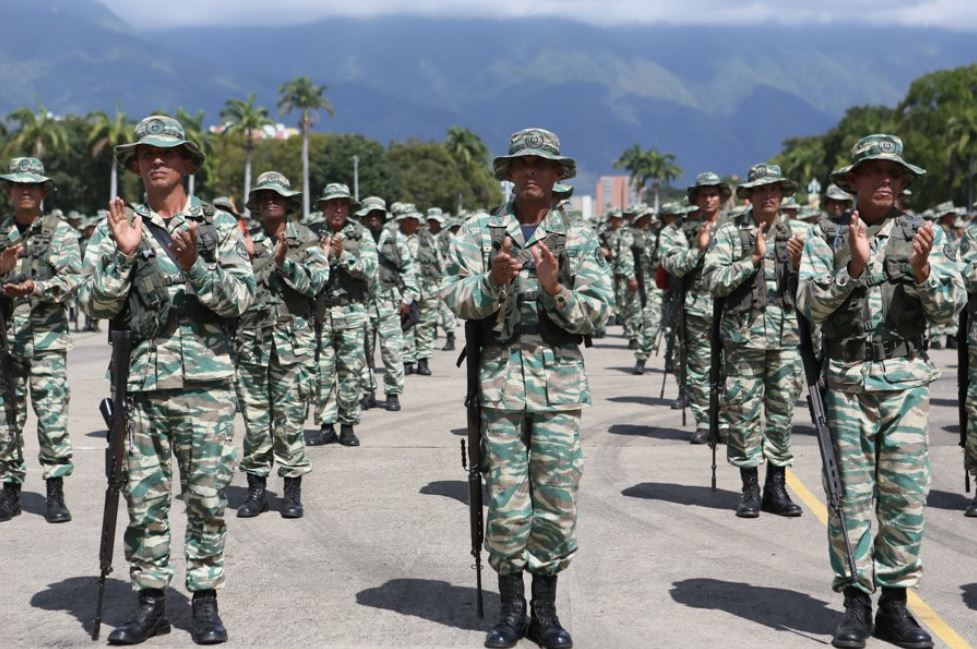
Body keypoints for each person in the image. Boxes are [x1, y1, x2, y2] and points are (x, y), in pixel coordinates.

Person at [80, 115, 255, 645]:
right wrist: (126, 255)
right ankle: (151, 601)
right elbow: (95, 302)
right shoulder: (113, 225)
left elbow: (241, 300)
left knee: (206, 499)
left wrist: (195, 265)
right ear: (135, 165)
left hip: (206, 385)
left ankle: (204, 601)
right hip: (139, 386)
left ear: (185, 163)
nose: (156, 160)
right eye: (146, 153)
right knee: (145, 501)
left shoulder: (218, 226)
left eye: (167, 152)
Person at [443, 128, 613, 649]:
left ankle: (546, 609)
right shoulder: (479, 233)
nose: (533, 173)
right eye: (523, 165)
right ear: (510, 174)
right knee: (508, 502)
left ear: (559, 175)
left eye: (543, 165)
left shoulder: (579, 237)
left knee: (557, 502)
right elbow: (456, 299)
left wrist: (555, 288)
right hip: (497, 390)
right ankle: (511, 609)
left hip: (559, 389)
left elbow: (600, 314)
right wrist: (492, 281)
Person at [798, 134, 965, 649]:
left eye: (895, 173)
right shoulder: (823, 238)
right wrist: (852, 266)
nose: (887, 180)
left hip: (906, 384)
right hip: (847, 384)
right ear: (853, 182)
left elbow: (951, 306)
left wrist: (922, 272)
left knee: (905, 498)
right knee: (848, 499)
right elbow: (810, 305)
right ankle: (855, 601)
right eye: (875, 172)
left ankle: (895, 604)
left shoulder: (926, 236)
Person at [702, 164, 804, 518]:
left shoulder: (799, 234)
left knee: (782, 414)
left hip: (788, 340)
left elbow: (823, 282)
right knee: (744, 413)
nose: (769, 195)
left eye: (774, 189)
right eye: (761, 190)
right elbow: (713, 280)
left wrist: (802, 262)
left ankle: (776, 487)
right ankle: (749, 487)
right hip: (743, 340)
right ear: (749, 196)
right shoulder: (730, 234)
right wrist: (753, 259)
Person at [234, 172, 328, 520]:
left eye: (277, 195)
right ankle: (256, 491)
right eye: (264, 196)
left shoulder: (306, 239)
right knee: (256, 423)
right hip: (252, 343)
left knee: (289, 423)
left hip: (292, 345)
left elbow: (318, 282)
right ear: (257, 204)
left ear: (288, 202)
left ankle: (291, 492)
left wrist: (285, 262)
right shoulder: (243, 241)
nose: (271, 200)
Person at [0, 157, 82, 524]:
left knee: (52, 419)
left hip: (47, 341)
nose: (26, 191)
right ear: (9, 191)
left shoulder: (61, 232)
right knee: (5, 420)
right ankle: (10, 491)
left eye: (33, 186)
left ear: (44, 191)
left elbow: (72, 282)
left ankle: (55, 492)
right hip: (6, 343)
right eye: (19, 185)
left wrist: (36, 287)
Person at [659, 172, 731, 444]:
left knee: (727, 369)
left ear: (721, 198)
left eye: (713, 194)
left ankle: (723, 422)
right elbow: (672, 263)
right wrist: (698, 250)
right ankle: (704, 422)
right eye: (703, 194)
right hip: (696, 309)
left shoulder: (733, 227)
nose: (709, 199)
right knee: (700, 368)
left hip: (728, 308)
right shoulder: (680, 231)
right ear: (695, 199)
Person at [311, 183, 378, 447]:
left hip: (351, 311)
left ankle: (348, 425)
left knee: (350, 371)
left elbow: (370, 269)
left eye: (342, 204)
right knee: (323, 371)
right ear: (324, 207)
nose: (337, 208)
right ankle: (326, 425)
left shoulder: (360, 234)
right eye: (332, 203)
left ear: (348, 207)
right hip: (322, 313)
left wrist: (344, 256)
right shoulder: (313, 233)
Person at [358, 196, 417, 412]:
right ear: (363, 217)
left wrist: (407, 299)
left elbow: (408, 269)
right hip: (362, 304)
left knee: (392, 351)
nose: (374, 218)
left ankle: (392, 393)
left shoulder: (394, 239)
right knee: (364, 352)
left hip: (390, 304)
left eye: (378, 214)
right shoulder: (357, 239)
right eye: (370, 214)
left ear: (383, 217)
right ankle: (368, 392)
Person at [397, 206, 442, 376]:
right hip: (406, 290)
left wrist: (442, 285)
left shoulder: (428, 238)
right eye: (411, 219)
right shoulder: (395, 238)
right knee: (407, 324)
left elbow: (439, 262)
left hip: (428, 288)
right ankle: (408, 360)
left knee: (426, 326)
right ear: (404, 221)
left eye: (416, 220)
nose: (414, 223)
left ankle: (423, 361)